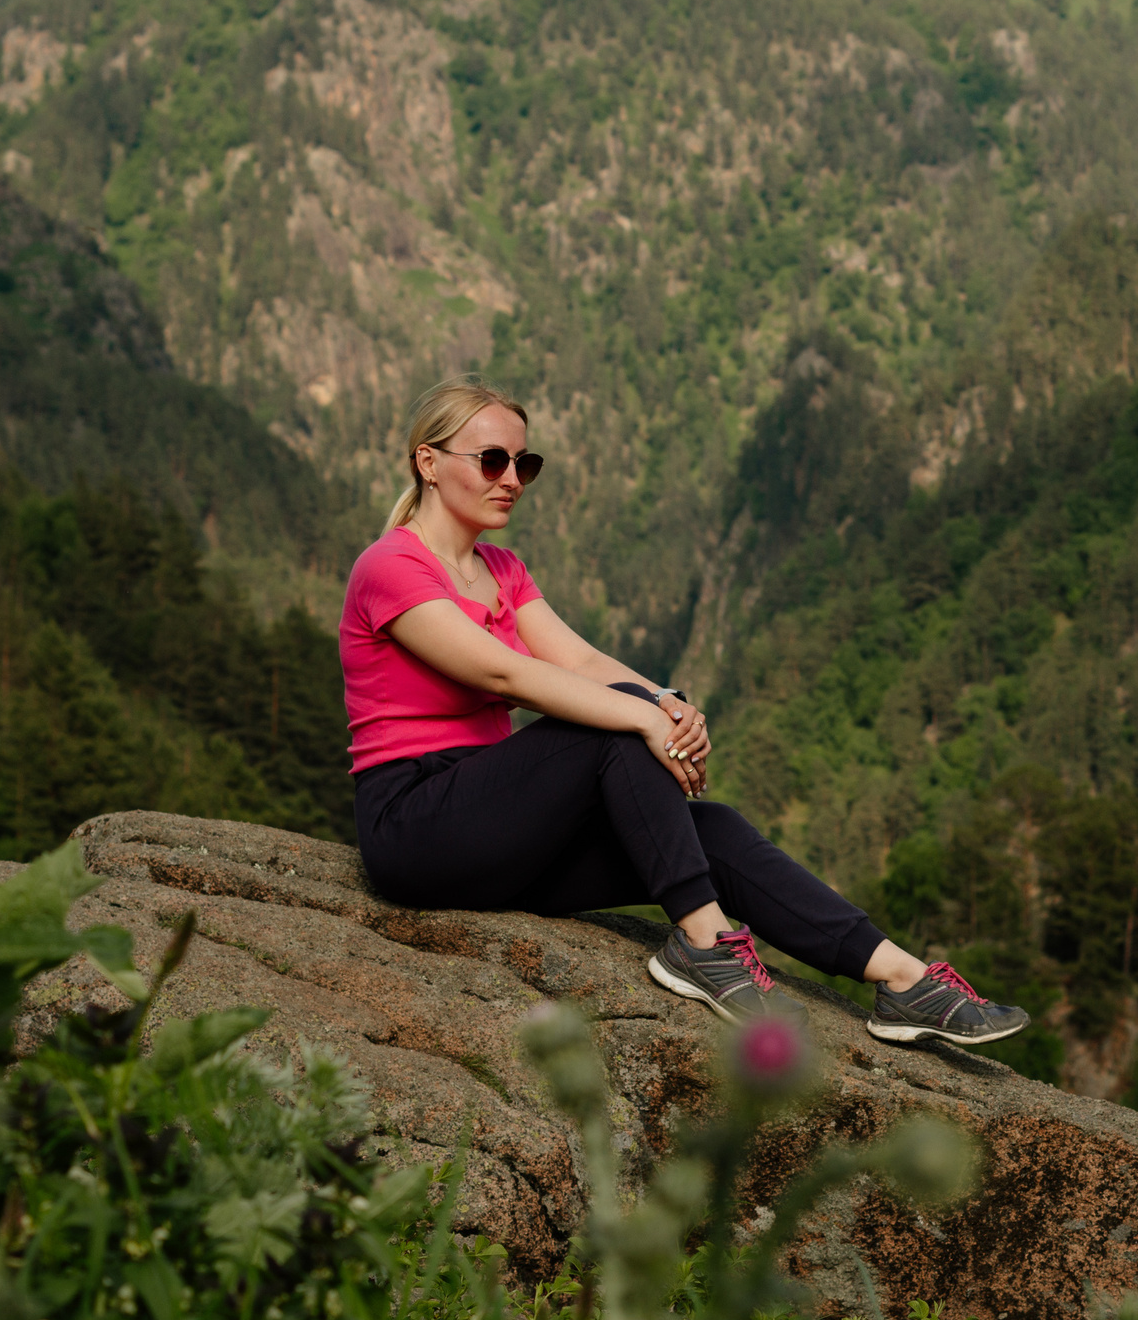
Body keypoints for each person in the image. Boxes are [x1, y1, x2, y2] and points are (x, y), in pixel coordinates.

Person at [342, 376, 1027, 1046]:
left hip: (498, 829)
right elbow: (505, 671)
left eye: (526, 462)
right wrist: (641, 716)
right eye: (493, 459)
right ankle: (703, 940)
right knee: (609, 725)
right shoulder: (392, 565)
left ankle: (904, 980)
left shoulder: (502, 568)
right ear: (427, 461)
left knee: (713, 830)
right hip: (417, 822)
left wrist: (665, 701)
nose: (513, 478)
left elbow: (580, 662)